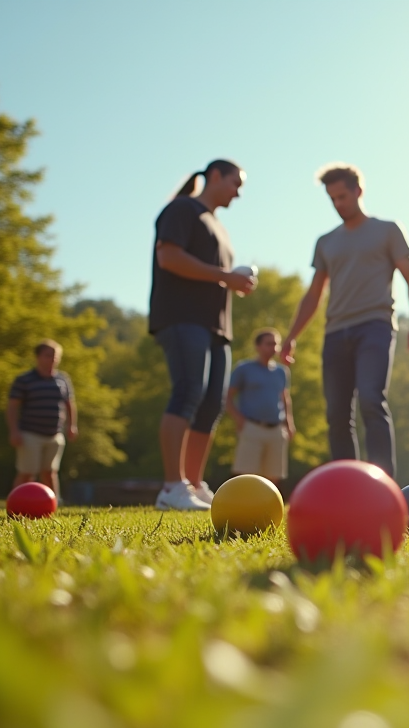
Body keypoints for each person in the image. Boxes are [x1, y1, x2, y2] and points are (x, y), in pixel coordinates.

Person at [282, 163, 409, 478]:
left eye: (343, 197)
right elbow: (314, 294)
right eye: (332, 199)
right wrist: (292, 335)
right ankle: (347, 487)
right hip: (335, 333)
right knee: (336, 414)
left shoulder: (387, 230)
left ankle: (383, 485)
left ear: (359, 191)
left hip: (375, 326)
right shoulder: (326, 242)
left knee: (372, 400)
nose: (338, 204)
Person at [149, 159, 257, 511]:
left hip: (216, 327)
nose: (238, 193)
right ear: (214, 176)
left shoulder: (218, 226)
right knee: (187, 394)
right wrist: (226, 277)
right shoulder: (183, 210)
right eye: (234, 184)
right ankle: (171, 488)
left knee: (211, 405)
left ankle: (193, 486)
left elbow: (215, 273)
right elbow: (169, 258)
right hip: (182, 318)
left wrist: (232, 281)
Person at [7, 340, 76, 499]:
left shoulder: (63, 379)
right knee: (27, 473)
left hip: (55, 434)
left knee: (50, 472)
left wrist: (72, 425)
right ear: (38, 357)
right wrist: (14, 431)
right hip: (30, 433)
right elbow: (12, 406)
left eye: (56, 356)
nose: (53, 359)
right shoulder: (24, 380)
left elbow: (69, 404)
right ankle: (16, 504)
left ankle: (53, 505)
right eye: (48, 355)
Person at [226, 328, 295, 485]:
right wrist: (239, 420)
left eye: (276, 344)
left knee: (274, 474)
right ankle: (244, 506)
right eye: (269, 343)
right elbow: (228, 396)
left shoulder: (282, 371)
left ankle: (268, 507)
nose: (274, 348)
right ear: (257, 346)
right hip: (251, 426)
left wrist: (289, 424)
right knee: (246, 475)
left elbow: (285, 398)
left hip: (277, 429)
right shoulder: (244, 369)